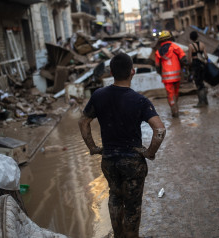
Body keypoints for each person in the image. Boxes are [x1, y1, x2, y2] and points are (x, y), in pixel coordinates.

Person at [78, 53, 166, 238]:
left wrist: (93, 148)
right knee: (133, 206)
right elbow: (159, 131)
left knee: (115, 197)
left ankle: (118, 235)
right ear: (132, 72)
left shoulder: (98, 95)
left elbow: (83, 122)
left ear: (111, 72)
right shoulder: (140, 100)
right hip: (132, 162)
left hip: (109, 160)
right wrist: (149, 153)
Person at [155, 30, 187, 118]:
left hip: (166, 78)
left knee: (170, 94)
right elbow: (184, 58)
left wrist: (161, 73)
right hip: (177, 76)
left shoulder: (158, 52)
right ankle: (176, 107)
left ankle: (174, 110)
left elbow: (157, 66)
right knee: (176, 93)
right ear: (170, 38)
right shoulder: (175, 47)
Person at [188, 31, 209, 108]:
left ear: (191, 38)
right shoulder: (202, 44)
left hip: (195, 65)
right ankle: (205, 101)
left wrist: (189, 67)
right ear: (197, 37)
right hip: (202, 65)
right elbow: (206, 56)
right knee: (202, 83)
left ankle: (201, 102)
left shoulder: (191, 46)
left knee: (198, 83)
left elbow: (189, 59)